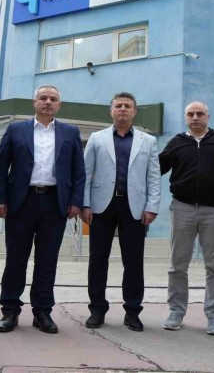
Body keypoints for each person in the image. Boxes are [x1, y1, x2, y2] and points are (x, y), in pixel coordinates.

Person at [0, 85, 86, 334]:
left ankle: (42, 312)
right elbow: (1, 167)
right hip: (21, 203)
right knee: (15, 259)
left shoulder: (70, 132)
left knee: (47, 261)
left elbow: (78, 171)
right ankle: (10, 311)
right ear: (34, 102)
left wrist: (76, 201)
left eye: (53, 99)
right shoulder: (16, 130)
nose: (48, 102)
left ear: (59, 105)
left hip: (55, 204)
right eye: (43, 98)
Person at [82, 92, 161, 332]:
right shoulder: (97, 138)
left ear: (134, 111)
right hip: (101, 207)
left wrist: (152, 206)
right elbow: (85, 173)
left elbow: (153, 176)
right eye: (118, 105)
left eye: (128, 106)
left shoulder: (148, 141)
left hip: (134, 208)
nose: (123, 109)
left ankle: (133, 311)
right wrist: (85, 204)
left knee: (134, 262)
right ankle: (97, 309)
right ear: (111, 111)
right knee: (98, 260)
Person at [158, 101, 214, 335]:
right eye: (191, 114)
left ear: (208, 117)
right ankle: (176, 311)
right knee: (177, 265)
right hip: (182, 208)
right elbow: (155, 169)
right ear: (186, 118)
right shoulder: (176, 142)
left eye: (199, 114)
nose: (195, 117)